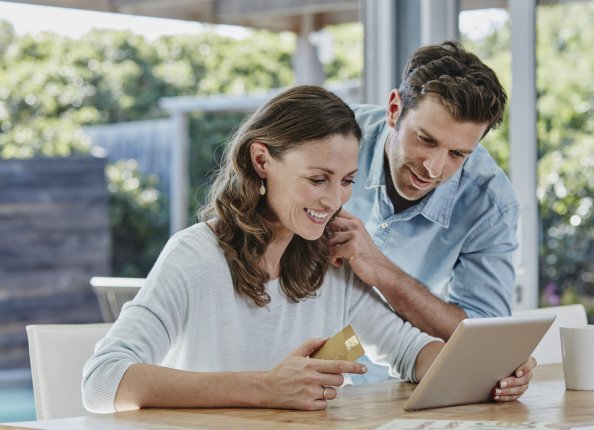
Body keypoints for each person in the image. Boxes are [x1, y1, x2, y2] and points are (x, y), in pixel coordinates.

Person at [82, 85, 535, 414]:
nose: (334, 200)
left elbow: (407, 352)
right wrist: (265, 388)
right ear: (262, 161)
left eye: (346, 182)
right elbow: (103, 381)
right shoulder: (196, 258)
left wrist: (491, 370)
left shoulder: (325, 268)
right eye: (317, 180)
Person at [328, 41, 519, 381]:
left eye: (457, 154)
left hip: (400, 382)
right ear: (393, 110)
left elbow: (485, 335)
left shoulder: (490, 205)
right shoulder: (330, 138)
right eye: (426, 140)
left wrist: (381, 271)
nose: (433, 168)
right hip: (286, 360)